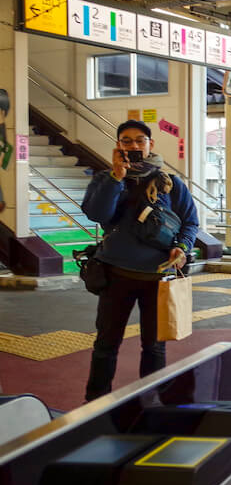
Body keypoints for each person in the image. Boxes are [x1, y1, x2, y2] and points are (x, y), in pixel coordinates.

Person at [81, 120, 199, 401]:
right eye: (126, 141)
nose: (134, 146)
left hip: (156, 279)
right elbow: (97, 214)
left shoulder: (170, 183)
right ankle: (95, 402)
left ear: (150, 145)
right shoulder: (104, 179)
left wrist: (182, 248)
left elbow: (191, 223)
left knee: (154, 347)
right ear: (118, 145)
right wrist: (115, 177)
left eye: (139, 141)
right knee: (106, 345)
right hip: (115, 275)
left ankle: (151, 400)